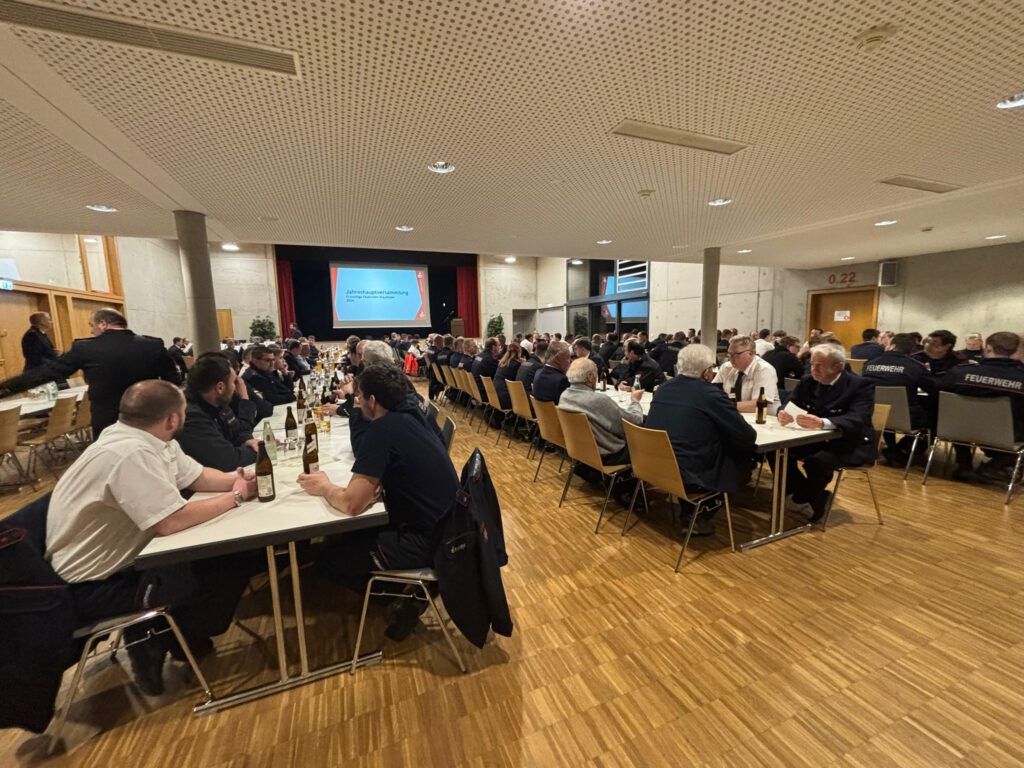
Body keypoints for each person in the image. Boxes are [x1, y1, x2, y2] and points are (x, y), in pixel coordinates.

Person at [48, 380, 259, 694]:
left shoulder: (148, 438)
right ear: (173, 419)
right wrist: (237, 497)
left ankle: (179, 636)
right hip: (94, 585)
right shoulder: (129, 453)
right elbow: (170, 522)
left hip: (123, 564)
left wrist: (239, 480)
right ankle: (158, 636)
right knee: (229, 561)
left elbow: (198, 477)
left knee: (223, 554)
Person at [299, 364, 459, 640]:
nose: (356, 402)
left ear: (372, 400)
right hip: (451, 527)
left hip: (429, 542)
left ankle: (400, 597)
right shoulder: (412, 415)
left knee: (328, 561)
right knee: (349, 536)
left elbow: (351, 505)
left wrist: (325, 487)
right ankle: (404, 591)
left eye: (359, 397)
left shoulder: (382, 430)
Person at [0, 308, 179, 436]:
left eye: (92, 325)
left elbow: (47, 373)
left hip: (109, 423)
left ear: (103, 324)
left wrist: (5, 388)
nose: (91, 331)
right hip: (151, 418)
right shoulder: (153, 345)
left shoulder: (85, 348)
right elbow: (173, 381)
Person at [645, 345, 757, 536]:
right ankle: (700, 513)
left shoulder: (663, 389)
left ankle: (690, 511)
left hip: (654, 466)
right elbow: (747, 436)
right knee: (742, 459)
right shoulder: (710, 394)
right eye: (712, 368)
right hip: (688, 473)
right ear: (706, 372)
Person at [778, 344, 877, 522]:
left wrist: (823, 422)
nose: (813, 369)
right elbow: (790, 402)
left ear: (837, 367)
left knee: (817, 462)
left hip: (848, 442)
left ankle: (806, 496)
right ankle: (805, 492)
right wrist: (783, 413)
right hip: (812, 438)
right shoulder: (808, 381)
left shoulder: (860, 385)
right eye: (812, 364)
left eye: (819, 365)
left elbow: (858, 418)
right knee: (777, 451)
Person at [939, 331, 1024, 482]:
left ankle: (964, 464)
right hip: (1006, 436)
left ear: (988, 348)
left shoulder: (958, 373)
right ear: (1016, 351)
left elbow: (937, 395)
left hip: (959, 430)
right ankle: (998, 464)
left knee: (960, 417)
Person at [177, 353, 261, 472]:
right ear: (220, 387)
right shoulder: (191, 416)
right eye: (234, 382)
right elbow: (227, 460)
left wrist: (248, 440)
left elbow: (238, 431)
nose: (236, 387)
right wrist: (262, 449)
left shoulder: (217, 403)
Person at [861, 333, 935, 464]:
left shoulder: (869, 363)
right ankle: (902, 449)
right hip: (906, 417)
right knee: (934, 418)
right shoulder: (915, 366)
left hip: (874, 414)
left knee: (887, 410)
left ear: (892, 346)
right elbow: (932, 388)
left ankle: (893, 448)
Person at [558, 358, 643, 465]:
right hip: (608, 455)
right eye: (596, 374)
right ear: (590, 377)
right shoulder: (598, 400)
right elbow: (634, 422)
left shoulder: (564, 396)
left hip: (580, 451)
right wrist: (635, 401)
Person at [712, 337, 781, 414]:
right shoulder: (726, 367)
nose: (731, 358)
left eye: (736, 354)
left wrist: (725, 405)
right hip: (735, 414)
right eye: (729, 354)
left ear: (751, 354)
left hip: (764, 418)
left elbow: (758, 404)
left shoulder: (764, 369)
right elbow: (713, 392)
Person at [493, 341, 524, 410]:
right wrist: (523, 365)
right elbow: (519, 381)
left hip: (495, 396)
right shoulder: (516, 364)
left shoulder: (502, 362)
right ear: (518, 352)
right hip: (506, 399)